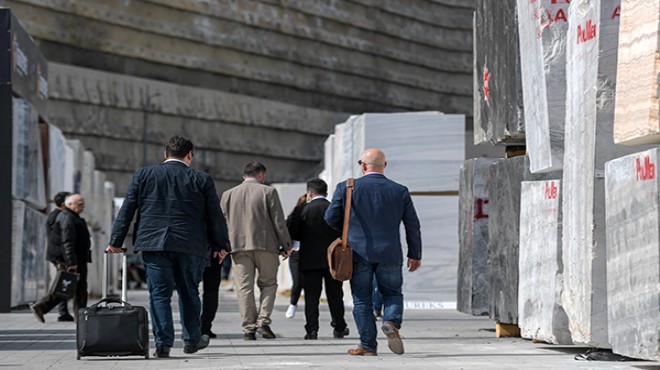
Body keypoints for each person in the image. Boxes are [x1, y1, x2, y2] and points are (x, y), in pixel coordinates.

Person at [106, 136, 230, 358]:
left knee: (159, 294)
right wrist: (221, 245)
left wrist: (116, 241)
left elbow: (127, 210)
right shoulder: (202, 179)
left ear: (165, 154)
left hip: (154, 244)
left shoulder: (143, 175)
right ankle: (192, 340)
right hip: (190, 244)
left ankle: (163, 343)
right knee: (189, 292)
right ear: (189, 155)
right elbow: (215, 216)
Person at [325, 149, 422, 356]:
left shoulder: (347, 187)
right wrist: (415, 254)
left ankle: (368, 346)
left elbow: (330, 217)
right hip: (390, 253)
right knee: (393, 293)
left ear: (362, 166)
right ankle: (391, 322)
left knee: (362, 300)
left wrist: (349, 231)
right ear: (385, 166)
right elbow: (412, 225)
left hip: (358, 253)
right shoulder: (399, 190)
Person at [220, 162, 292, 340]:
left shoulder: (228, 195)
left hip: (238, 247)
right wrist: (287, 245)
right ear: (261, 175)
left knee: (244, 288)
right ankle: (263, 322)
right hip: (265, 245)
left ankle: (248, 328)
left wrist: (222, 246)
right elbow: (278, 221)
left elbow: (221, 223)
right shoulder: (268, 192)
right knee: (268, 284)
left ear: (245, 175)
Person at [287, 179, 349, 340]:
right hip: (333, 259)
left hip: (309, 259)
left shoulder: (302, 209)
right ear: (326, 193)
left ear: (309, 192)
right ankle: (339, 326)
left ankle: (312, 330)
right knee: (335, 294)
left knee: (311, 296)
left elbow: (293, 233)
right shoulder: (335, 209)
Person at [32, 193, 92, 323]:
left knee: (75, 288)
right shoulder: (67, 218)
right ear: (69, 205)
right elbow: (67, 242)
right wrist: (71, 262)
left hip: (77, 259)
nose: (83, 206)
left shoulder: (72, 217)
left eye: (83, 203)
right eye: (80, 204)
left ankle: (80, 316)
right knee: (71, 288)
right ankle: (41, 306)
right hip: (72, 260)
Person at [30, 191, 74, 323]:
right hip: (61, 256)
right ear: (63, 204)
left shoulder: (55, 215)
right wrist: (67, 257)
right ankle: (42, 307)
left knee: (66, 283)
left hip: (59, 255)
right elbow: (61, 239)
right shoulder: (60, 216)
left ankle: (63, 312)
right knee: (64, 284)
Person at [285, 194, 307, 320]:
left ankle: (308, 311)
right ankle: (293, 304)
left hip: (310, 253)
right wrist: (286, 247)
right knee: (297, 282)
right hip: (296, 253)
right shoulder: (293, 217)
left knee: (310, 284)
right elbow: (286, 231)